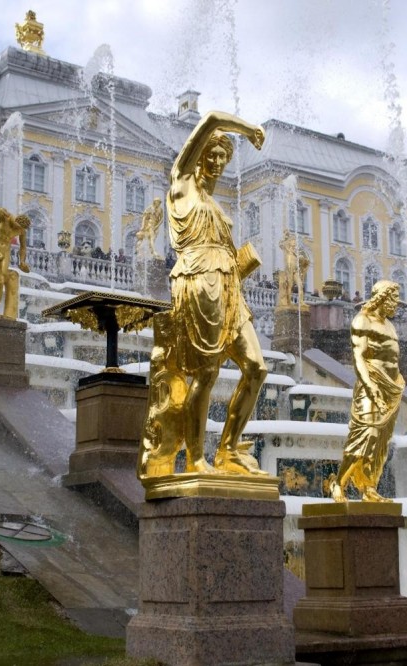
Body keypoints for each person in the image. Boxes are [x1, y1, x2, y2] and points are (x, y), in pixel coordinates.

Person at [138, 110, 266, 478]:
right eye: (211, 154)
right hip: (197, 282)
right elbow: (209, 120)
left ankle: (228, 450)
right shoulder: (181, 185)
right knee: (207, 373)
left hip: (229, 287)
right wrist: (245, 128)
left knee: (256, 368)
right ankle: (195, 458)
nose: (217, 162)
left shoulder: (214, 202)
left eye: (223, 157)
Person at [329, 280, 406, 502]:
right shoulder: (362, 320)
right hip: (370, 384)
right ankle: (339, 483)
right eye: (392, 300)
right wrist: (372, 389)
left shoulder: (390, 325)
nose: (395, 305)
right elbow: (359, 359)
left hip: (392, 388)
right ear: (381, 298)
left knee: (382, 441)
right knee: (366, 435)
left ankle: (369, 487)